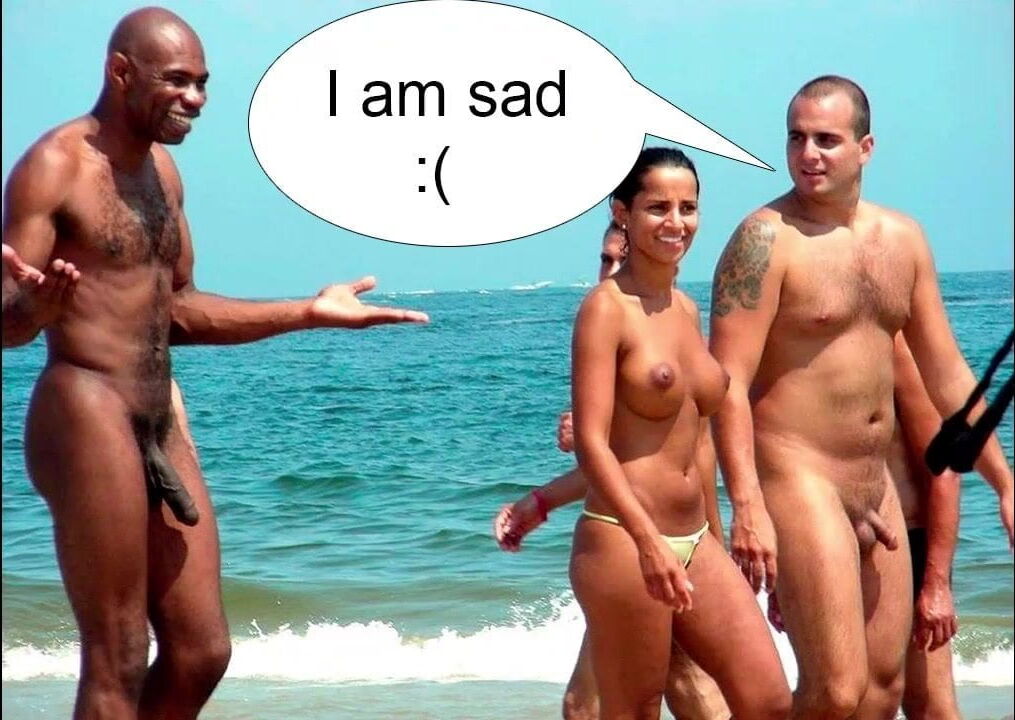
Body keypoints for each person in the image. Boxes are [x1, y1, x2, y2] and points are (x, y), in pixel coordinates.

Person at [0, 8, 428, 719]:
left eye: (202, 83)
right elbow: (5, 321)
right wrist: (34, 311)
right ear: (120, 72)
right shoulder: (55, 167)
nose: (195, 99)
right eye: (177, 81)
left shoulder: (164, 174)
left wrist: (307, 312)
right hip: (84, 408)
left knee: (202, 652)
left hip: (155, 414)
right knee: (118, 658)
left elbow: (179, 311)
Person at [709, 75, 1013, 718]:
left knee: (881, 692)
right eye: (796, 138)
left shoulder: (902, 240)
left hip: (874, 485)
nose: (808, 154)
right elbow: (726, 383)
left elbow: (948, 374)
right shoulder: (764, 240)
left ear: (865, 148)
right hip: (799, 477)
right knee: (836, 690)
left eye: (826, 139)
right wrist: (747, 505)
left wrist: (1005, 484)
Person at [569, 147, 791, 720]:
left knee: (768, 701)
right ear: (622, 213)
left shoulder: (686, 310)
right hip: (624, 538)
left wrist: (735, 519)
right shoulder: (605, 310)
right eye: (658, 207)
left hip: (696, 539)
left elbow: (699, 434)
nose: (676, 222)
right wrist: (647, 542)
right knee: (635, 710)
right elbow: (592, 442)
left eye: (687, 208)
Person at [494, 221, 729, 720]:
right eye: (607, 258)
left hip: (670, 545)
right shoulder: (610, 330)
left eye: (622, 258)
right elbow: (620, 465)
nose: (612, 269)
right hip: (626, 547)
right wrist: (541, 501)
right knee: (593, 702)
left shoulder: (676, 326)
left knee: (679, 687)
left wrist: (717, 546)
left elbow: (691, 458)